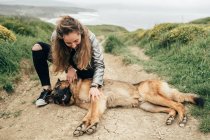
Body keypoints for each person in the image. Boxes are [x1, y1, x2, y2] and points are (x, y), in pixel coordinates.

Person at [32, 16, 105, 107]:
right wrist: (69, 68)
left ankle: (79, 82)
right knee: (38, 48)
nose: (73, 45)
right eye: (68, 43)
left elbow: (99, 64)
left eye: (76, 41)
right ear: (62, 39)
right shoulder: (56, 36)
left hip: (84, 65)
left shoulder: (90, 37)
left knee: (89, 77)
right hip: (68, 60)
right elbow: (58, 56)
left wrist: (94, 86)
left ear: (80, 33)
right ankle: (46, 90)